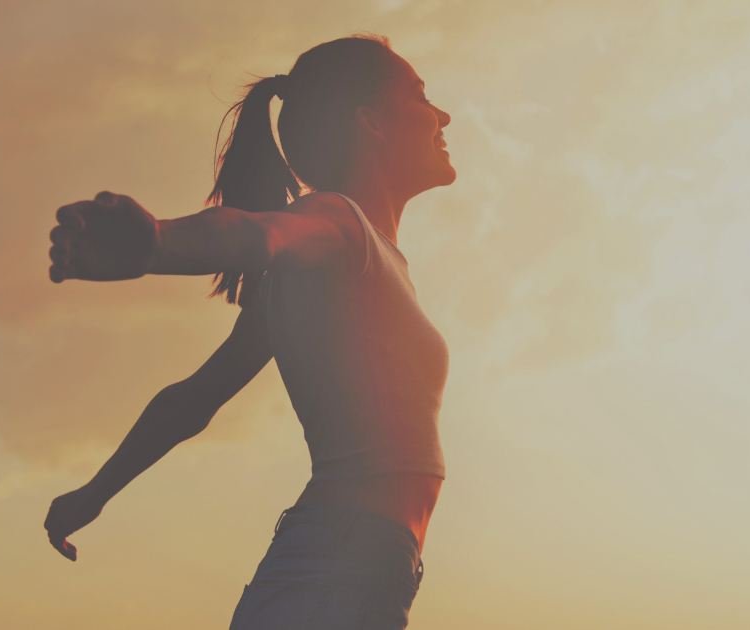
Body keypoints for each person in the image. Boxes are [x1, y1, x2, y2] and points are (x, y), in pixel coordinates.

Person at [41, 34, 454, 629]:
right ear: (371, 122)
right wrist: (158, 240)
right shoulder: (338, 224)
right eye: (420, 95)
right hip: (338, 561)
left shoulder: (348, 267)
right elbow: (256, 234)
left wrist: (94, 493)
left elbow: (194, 399)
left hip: (361, 563)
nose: (442, 114)